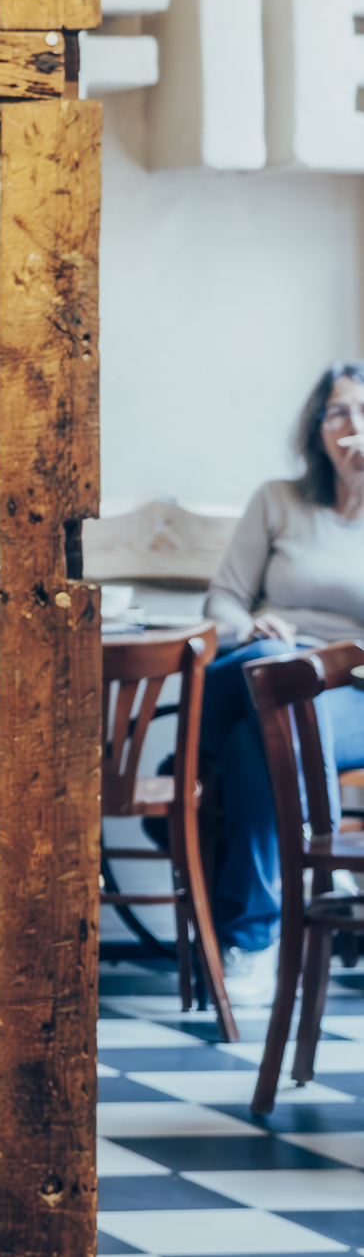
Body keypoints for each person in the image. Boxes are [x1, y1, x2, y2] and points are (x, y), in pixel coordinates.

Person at [199, 362, 364, 1005]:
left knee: (258, 742)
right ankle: (318, 870)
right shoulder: (278, 499)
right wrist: (251, 627)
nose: (353, 425)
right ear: (318, 427)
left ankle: (253, 938)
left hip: (350, 694)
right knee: (274, 674)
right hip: (261, 673)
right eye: (339, 411)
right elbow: (223, 600)